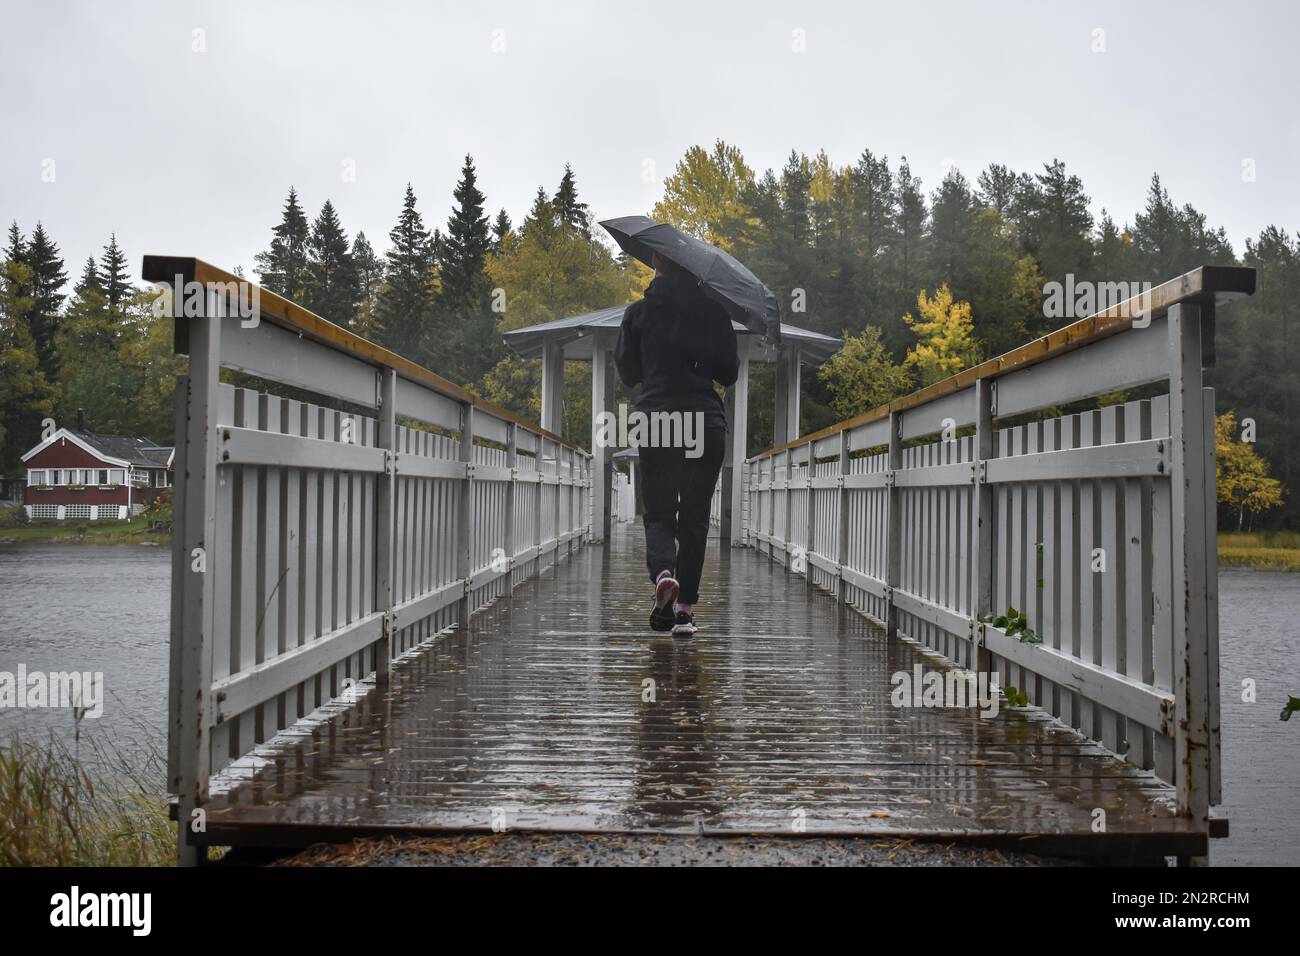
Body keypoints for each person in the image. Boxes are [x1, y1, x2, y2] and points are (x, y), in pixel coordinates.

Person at [614, 252, 739, 636]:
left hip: (658, 420)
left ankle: (665, 573)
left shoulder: (638, 314)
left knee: (660, 513)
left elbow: (628, 373)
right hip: (705, 422)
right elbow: (729, 373)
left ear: (655, 260)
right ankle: (684, 612)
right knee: (696, 517)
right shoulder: (714, 314)